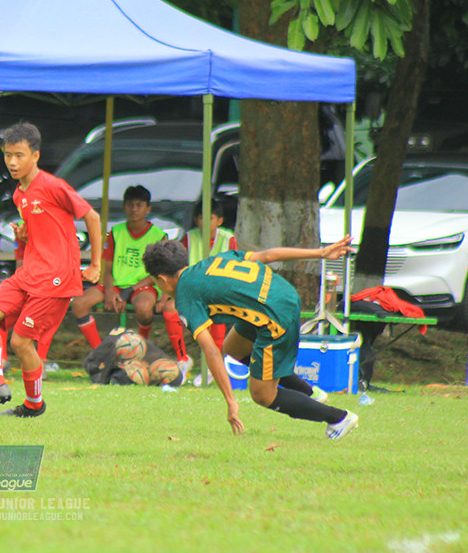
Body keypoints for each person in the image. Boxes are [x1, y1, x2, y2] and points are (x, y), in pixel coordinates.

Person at [142, 236, 359, 439]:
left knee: (262, 395)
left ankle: (339, 418)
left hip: (275, 316)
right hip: (282, 294)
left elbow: (210, 350)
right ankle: (310, 393)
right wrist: (320, 253)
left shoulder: (185, 298)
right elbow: (267, 256)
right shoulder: (214, 260)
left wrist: (230, 401)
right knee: (233, 346)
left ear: (161, 279)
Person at [0, 122, 102, 417]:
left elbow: (92, 217)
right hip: (29, 273)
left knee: (21, 342)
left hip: (55, 279)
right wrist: (25, 236)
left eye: (19, 155)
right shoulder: (19, 195)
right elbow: (43, 228)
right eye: (8, 155)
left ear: (35, 156)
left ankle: (33, 405)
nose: (12, 162)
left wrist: (95, 264)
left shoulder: (53, 186)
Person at [69, 185, 166, 349]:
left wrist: (130, 289)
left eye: (139, 205)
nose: (134, 209)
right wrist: (109, 291)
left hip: (142, 286)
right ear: (124, 207)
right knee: (79, 303)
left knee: (143, 308)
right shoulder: (116, 232)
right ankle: (100, 352)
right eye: (129, 205)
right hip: (115, 285)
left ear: (148, 208)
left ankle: (143, 347)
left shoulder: (159, 236)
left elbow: (157, 273)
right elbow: (107, 269)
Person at [161, 198, 237, 372]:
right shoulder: (189, 237)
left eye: (210, 218)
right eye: (201, 218)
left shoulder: (228, 239)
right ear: (196, 220)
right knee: (169, 311)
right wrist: (166, 294)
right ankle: (183, 358)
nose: (205, 222)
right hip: (192, 290)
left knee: (218, 313)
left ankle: (213, 365)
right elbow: (177, 267)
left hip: (218, 290)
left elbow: (235, 267)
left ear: (219, 221)